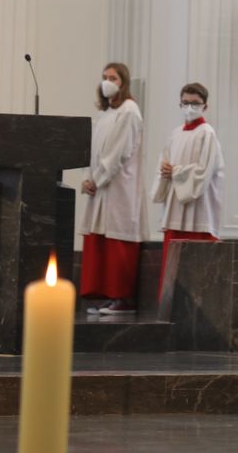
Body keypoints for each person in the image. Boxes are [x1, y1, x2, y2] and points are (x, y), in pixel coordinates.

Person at [79, 62, 146, 315]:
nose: (107, 81)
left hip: (118, 186)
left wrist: (97, 179)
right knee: (100, 239)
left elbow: (118, 152)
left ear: (123, 82)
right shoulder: (105, 114)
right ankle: (104, 295)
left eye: (113, 78)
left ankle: (122, 297)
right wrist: (88, 176)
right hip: (100, 185)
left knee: (118, 238)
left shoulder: (129, 111)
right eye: (104, 77)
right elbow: (94, 151)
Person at [153, 82, 225, 297]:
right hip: (176, 206)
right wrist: (165, 170)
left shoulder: (207, 134)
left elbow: (205, 171)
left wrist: (175, 171)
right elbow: (164, 161)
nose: (190, 107)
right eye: (185, 103)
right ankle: (170, 302)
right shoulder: (175, 133)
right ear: (180, 104)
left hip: (198, 208)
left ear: (205, 106)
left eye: (195, 103)